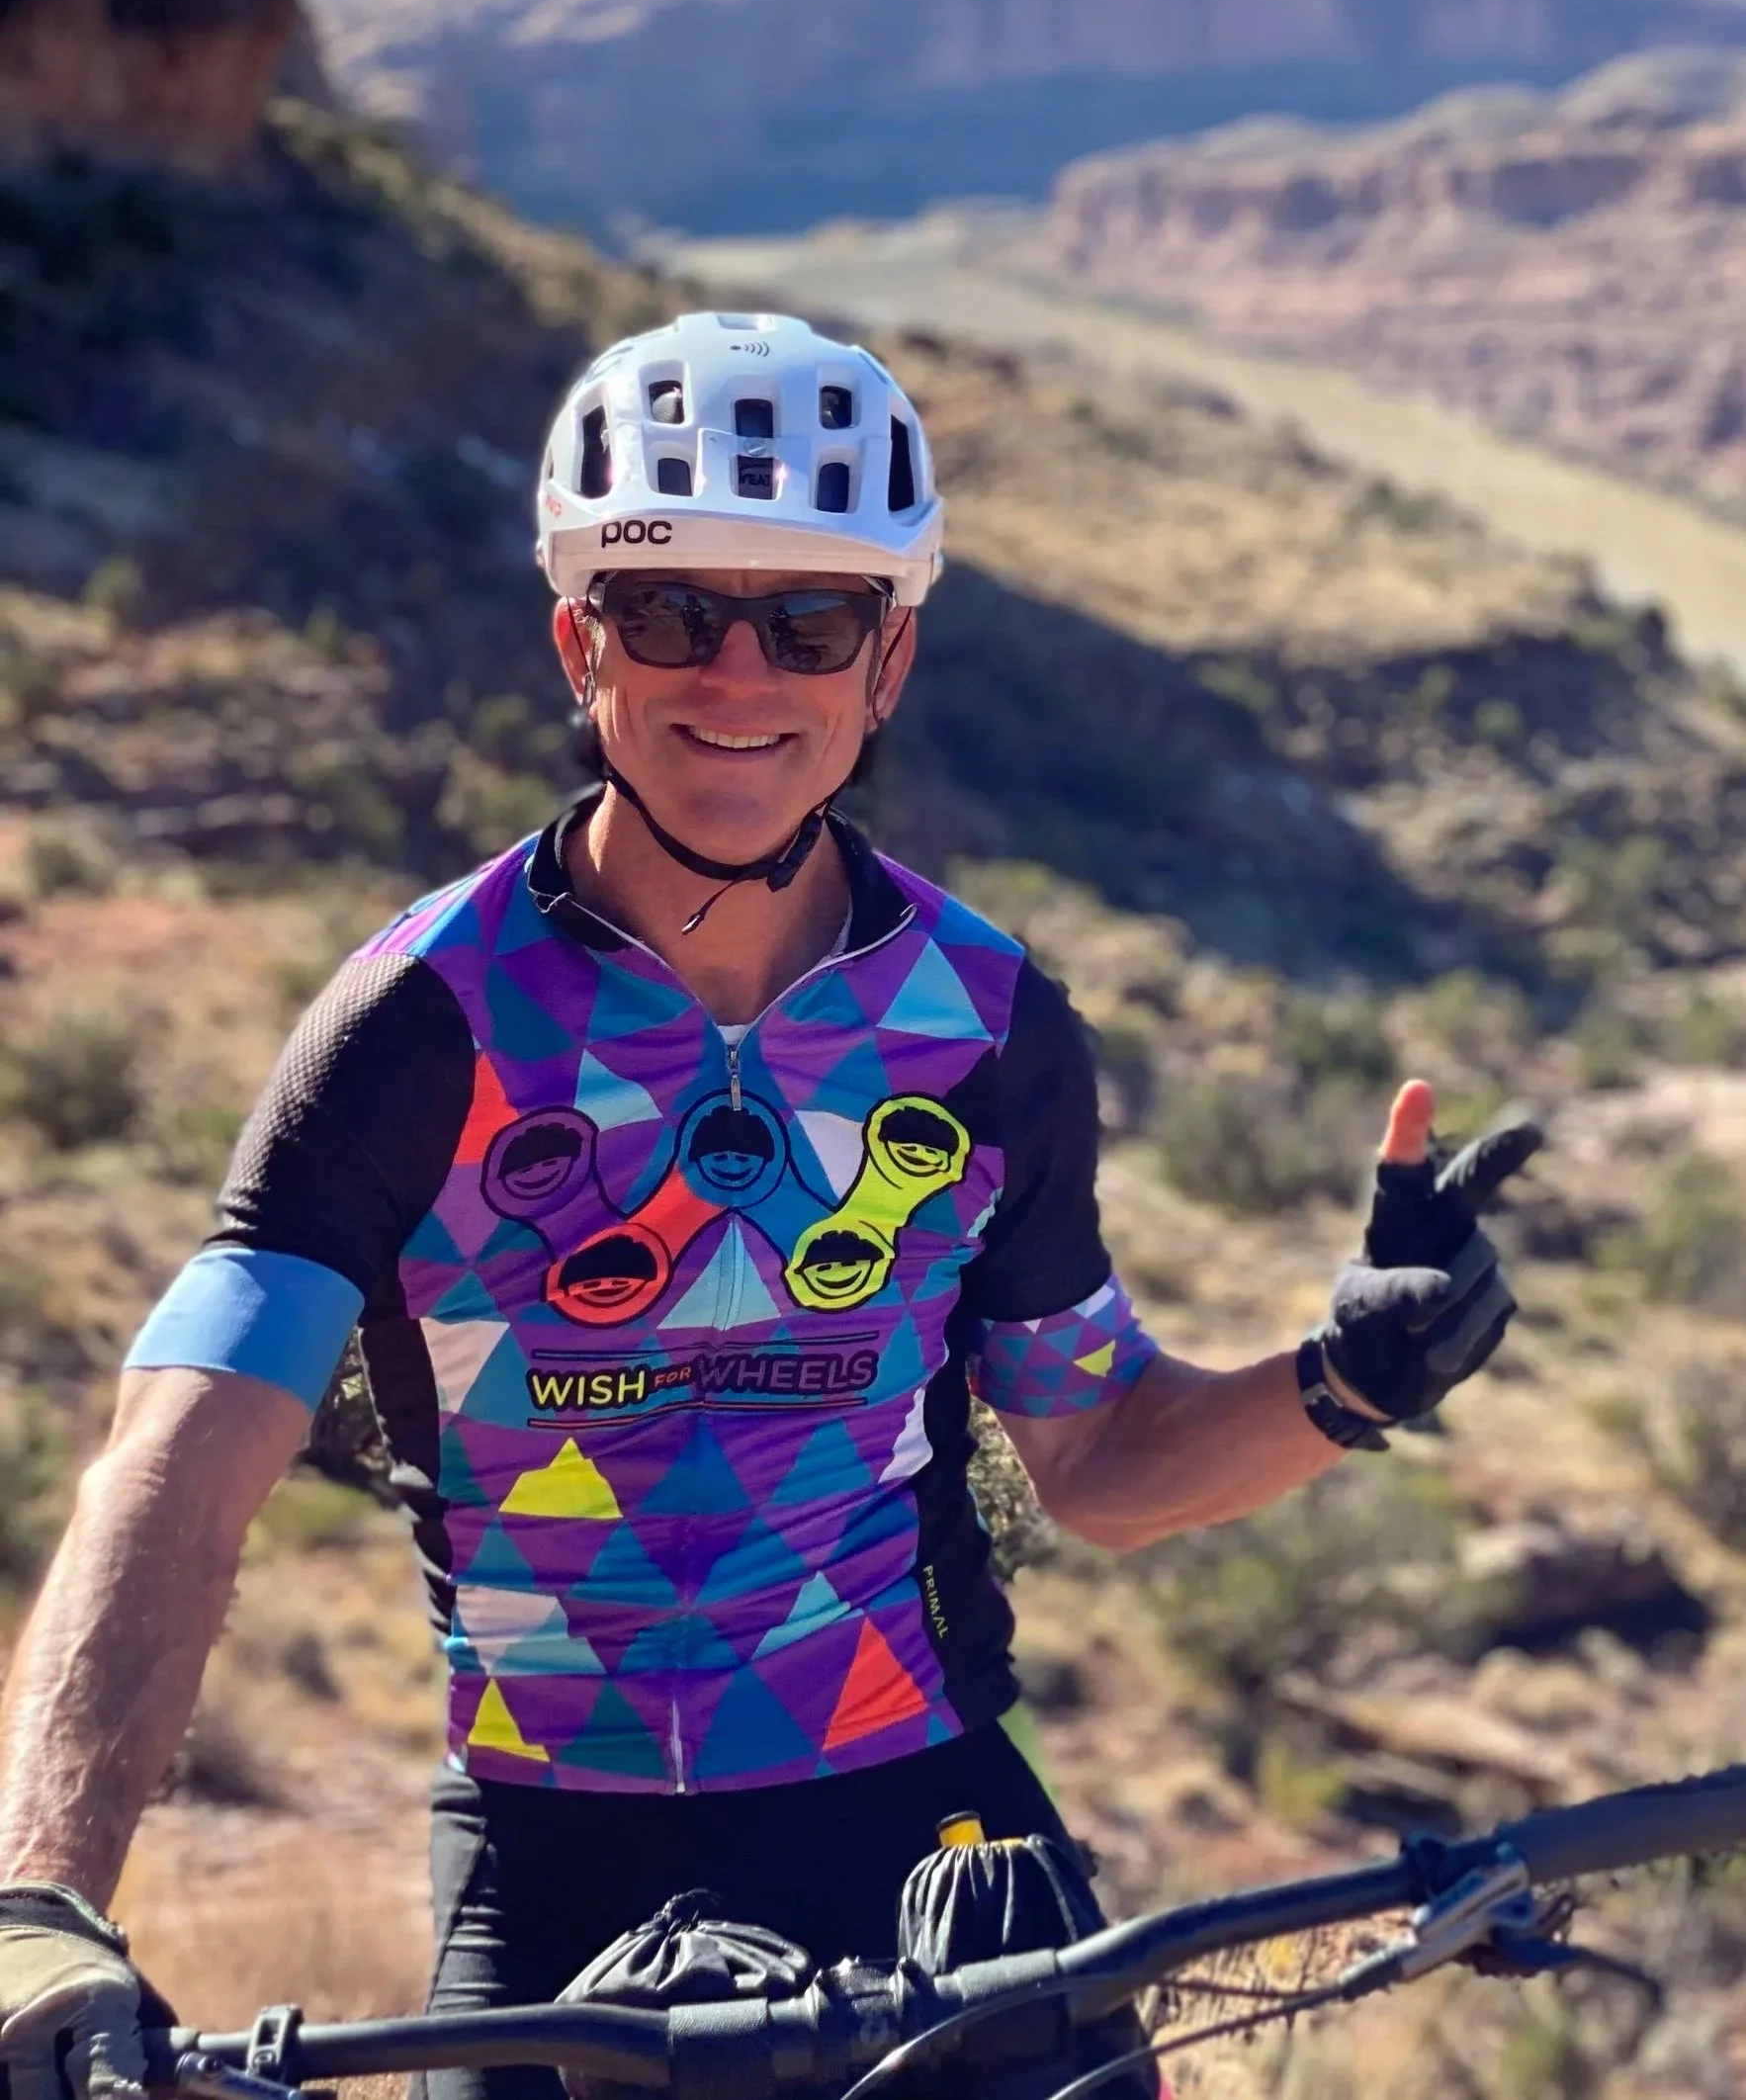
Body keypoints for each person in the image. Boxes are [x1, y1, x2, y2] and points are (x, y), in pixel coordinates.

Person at [0, 313, 1537, 2100]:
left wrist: (1346, 1382)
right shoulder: (418, 1023)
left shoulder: (985, 1023)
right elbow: (175, 1459)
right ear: (581, 641)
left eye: (804, 620)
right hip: (548, 1845)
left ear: (885, 662)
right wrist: (41, 1900)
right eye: (669, 612)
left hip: (925, 1826)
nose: (736, 674)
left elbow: (1104, 1455)